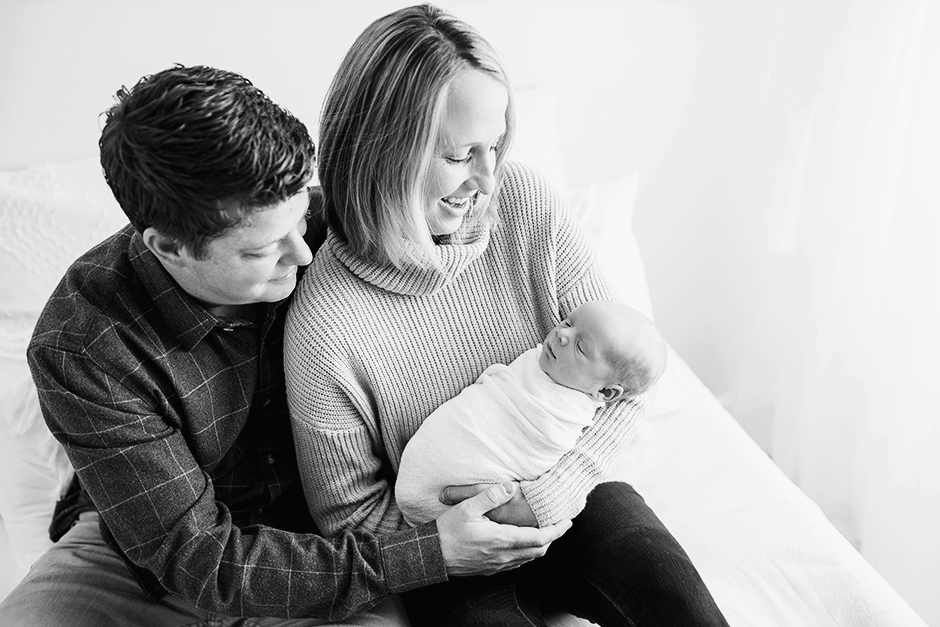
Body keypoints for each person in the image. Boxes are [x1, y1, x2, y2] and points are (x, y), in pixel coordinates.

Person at [0, 64, 569, 627]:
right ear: (169, 247)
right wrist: (428, 552)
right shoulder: (84, 344)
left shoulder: (337, 224)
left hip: (323, 548)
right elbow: (195, 558)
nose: (302, 255)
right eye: (262, 250)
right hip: (141, 556)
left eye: (301, 218)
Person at [284, 4, 730, 626]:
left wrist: (552, 493)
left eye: (495, 145)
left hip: (575, 502)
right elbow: (350, 522)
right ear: (382, 151)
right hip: (451, 558)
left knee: (669, 587)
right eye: (461, 154)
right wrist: (453, 543)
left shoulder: (526, 205)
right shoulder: (324, 327)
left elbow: (632, 377)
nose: (489, 179)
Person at [395, 300, 667, 526]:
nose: (562, 334)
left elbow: (642, 389)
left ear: (606, 393)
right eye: (567, 322)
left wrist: (542, 503)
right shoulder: (543, 363)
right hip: (434, 490)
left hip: (504, 504)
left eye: (581, 346)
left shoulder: (566, 417)